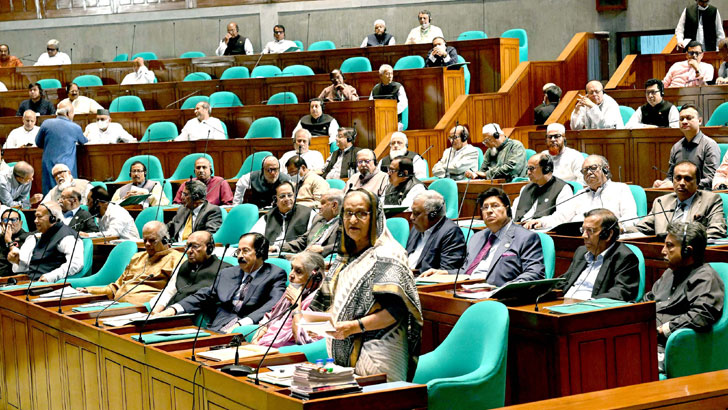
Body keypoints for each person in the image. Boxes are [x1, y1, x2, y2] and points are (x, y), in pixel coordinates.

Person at [311, 189, 422, 382]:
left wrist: (354, 327)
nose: (353, 220)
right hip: (342, 348)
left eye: (362, 213)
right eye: (348, 213)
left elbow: (396, 311)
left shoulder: (388, 255)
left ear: (376, 217)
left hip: (379, 350)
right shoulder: (344, 256)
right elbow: (330, 302)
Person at [154, 233, 287, 333]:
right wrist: (173, 309)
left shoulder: (275, 274)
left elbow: (274, 304)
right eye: (238, 251)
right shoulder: (228, 273)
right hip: (219, 326)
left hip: (249, 327)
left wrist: (243, 324)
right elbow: (204, 295)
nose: (240, 256)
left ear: (260, 252)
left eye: (245, 251)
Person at [644, 221, 724, 373]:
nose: (663, 251)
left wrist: (662, 330)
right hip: (645, 339)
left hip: (668, 346)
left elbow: (701, 315)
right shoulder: (670, 272)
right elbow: (648, 300)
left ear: (688, 251)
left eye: (669, 246)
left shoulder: (705, 277)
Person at [422, 188, 545, 284]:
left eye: (495, 206)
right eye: (485, 207)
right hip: (468, 289)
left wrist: (505, 289)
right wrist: (444, 273)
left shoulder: (526, 238)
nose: (489, 211)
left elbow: (535, 273)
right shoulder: (477, 237)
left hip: (498, 294)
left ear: (507, 209)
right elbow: (466, 271)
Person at [524, 155, 638, 230]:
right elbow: (561, 217)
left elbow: (631, 217)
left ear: (605, 169)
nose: (589, 173)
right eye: (585, 170)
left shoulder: (620, 189)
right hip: (580, 238)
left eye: (593, 168)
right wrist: (540, 221)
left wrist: (616, 228)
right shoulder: (581, 194)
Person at [80, 221, 182, 304]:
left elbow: (173, 293)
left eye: (152, 240)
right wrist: (90, 290)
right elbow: (116, 286)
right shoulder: (138, 257)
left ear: (165, 240)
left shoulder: (176, 259)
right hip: (116, 305)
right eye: (145, 240)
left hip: (144, 309)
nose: (147, 244)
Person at [627, 161, 726, 240]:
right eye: (678, 178)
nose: (682, 183)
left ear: (698, 182)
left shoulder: (710, 200)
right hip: (662, 252)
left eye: (687, 179)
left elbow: (717, 230)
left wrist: (684, 239)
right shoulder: (661, 202)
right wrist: (621, 229)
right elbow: (642, 228)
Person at [557, 208, 641, 301]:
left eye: (590, 230)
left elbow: (621, 292)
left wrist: (589, 303)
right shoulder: (581, 252)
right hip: (564, 303)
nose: (584, 236)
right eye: (583, 230)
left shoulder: (624, 257)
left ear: (607, 234)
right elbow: (564, 281)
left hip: (592, 309)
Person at [253, 251, 325, 348]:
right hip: (265, 346)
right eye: (292, 269)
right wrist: (260, 332)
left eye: (298, 271)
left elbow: (304, 340)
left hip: (287, 352)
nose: (291, 275)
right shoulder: (293, 291)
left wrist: (296, 306)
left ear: (315, 278)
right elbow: (272, 315)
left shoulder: (318, 301)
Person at [151, 231, 232, 313]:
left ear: (209, 248)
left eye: (195, 246)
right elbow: (170, 291)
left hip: (190, 316)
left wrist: (173, 310)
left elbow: (206, 299)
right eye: (187, 246)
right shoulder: (184, 265)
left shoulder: (224, 270)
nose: (189, 251)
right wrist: (155, 312)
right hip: (168, 313)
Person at [8, 202, 83, 282]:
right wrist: (18, 261)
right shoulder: (41, 235)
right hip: (33, 282)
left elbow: (76, 264)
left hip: (51, 285)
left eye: (39, 217)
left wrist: (51, 276)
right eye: (35, 217)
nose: (35, 221)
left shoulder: (67, 237)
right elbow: (34, 266)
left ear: (52, 218)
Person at [653, 104, 720, 190]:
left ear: (700, 121)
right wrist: (663, 183)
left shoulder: (709, 145)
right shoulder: (676, 147)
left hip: (701, 196)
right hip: (678, 195)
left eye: (689, 118)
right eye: (681, 119)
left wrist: (682, 184)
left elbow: (711, 179)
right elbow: (671, 177)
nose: (684, 121)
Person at [406, 191, 465, 273]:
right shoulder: (417, 228)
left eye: (416, 213)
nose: (411, 217)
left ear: (432, 215)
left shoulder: (451, 232)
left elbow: (447, 271)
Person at [35, 100, 87, 194]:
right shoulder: (75, 127)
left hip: (48, 165)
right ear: (68, 113)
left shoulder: (46, 123)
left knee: (49, 195)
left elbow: (38, 143)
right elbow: (83, 142)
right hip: (67, 166)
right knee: (69, 194)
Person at [250, 181, 320, 248]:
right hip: (270, 254)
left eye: (290, 195)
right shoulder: (268, 217)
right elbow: (252, 238)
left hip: (296, 254)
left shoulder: (308, 213)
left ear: (294, 196)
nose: (287, 199)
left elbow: (312, 239)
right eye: (282, 196)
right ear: (275, 199)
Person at [279, 189, 342, 257]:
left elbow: (347, 246)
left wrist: (323, 249)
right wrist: (278, 247)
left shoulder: (344, 223)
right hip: (305, 256)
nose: (319, 206)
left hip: (322, 260)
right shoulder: (318, 218)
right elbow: (302, 241)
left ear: (334, 205)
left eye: (323, 203)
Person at [512, 153, 572, 223]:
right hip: (518, 228)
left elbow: (562, 217)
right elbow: (514, 211)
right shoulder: (525, 188)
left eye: (531, 169)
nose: (528, 173)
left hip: (542, 230)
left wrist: (541, 222)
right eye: (527, 169)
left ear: (546, 169)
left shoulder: (563, 189)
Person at [369, 64, 408, 130]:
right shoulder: (375, 89)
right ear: (381, 76)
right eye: (387, 74)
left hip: (395, 119)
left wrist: (389, 113)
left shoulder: (398, 87)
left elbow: (403, 103)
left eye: (391, 74)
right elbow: (370, 104)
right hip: (379, 120)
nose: (390, 76)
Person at [0, 209, 29, 276]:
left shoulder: (29, 238)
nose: (9, 223)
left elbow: (21, 262)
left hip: (17, 279)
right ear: (1, 224)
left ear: (20, 223)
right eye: (6, 220)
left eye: (13, 220)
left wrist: (8, 240)